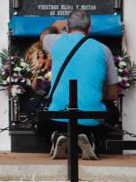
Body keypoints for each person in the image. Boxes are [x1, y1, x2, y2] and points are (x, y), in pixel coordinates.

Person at [39, 11, 119, 161]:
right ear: (89, 29)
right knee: (113, 112)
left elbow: (43, 36)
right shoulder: (103, 49)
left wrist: (55, 26)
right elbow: (113, 94)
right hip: (92, 121)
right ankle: (90, 138)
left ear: (67, 28)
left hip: (57, 119)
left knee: (35, 109)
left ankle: (56, 136)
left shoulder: (55, 41)